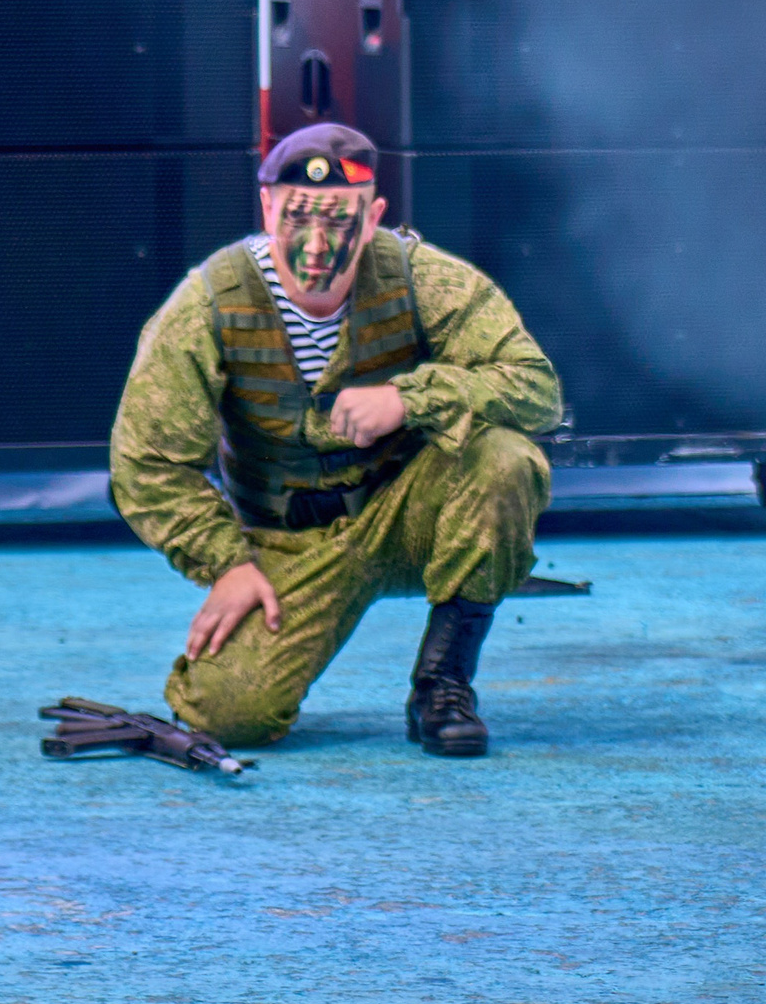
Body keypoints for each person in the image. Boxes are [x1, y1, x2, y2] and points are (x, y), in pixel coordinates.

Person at [110, 123, 562, 756]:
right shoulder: (208, 304)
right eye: (296, 220)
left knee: (504, 459)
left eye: (341, 222)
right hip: (285, 542)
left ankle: (444, 682)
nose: (317, 247)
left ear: (374, 216)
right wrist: (225, 561)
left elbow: (537, 390)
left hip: (407, 518)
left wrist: (410, 398)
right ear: (266, 207)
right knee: (227, 715)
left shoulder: (422, 279)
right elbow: (146, 463)